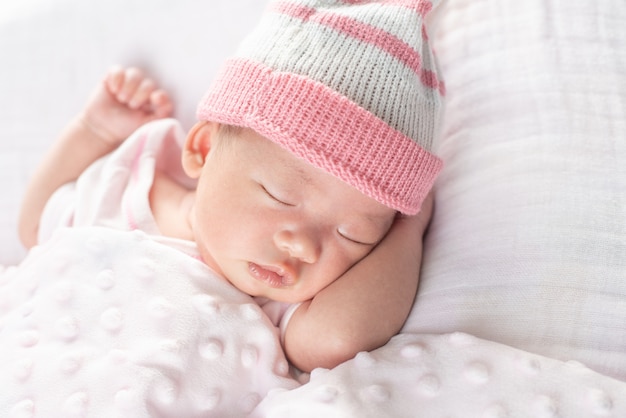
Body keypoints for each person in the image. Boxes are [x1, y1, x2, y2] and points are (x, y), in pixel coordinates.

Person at [18, 0, 443, 373]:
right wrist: (92, 130)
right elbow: (36, 226)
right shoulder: (129, 192)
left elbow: (335, 343)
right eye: (279, 195)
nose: (304, 247)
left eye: (354, 234)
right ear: (202, 149)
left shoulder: (284, 307)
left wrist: (409, 227)